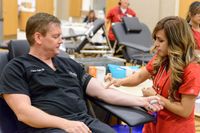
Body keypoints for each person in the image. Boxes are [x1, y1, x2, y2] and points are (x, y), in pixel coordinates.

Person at [0, 13, 162, 133]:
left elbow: (103, 93)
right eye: (56, 36)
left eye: (61, 36)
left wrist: (141, 100)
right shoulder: (16, 68)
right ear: (38, 38)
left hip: (83, 122)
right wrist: (65, 124)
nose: (61, 41)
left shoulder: (69, 64)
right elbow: (24, 113)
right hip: (46, 127)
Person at [105, 16, 200, 133]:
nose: (155, 44)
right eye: (155, 39)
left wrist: (156, 96)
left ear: (176, 42)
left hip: (175, 129)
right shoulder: (161, 57)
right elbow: (140, 76)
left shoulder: (191, 70)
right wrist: (118, 81)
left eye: (161, 40)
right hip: (154, 124)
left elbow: (185, 111)